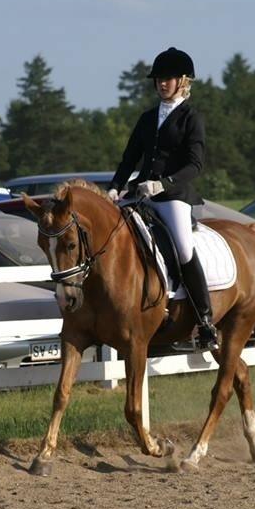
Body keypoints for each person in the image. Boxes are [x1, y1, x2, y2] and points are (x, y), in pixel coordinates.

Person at [106, 47, 219, 351]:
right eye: (158, 78)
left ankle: (205, 321)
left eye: (168, 78)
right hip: (140, 193)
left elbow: (195, 164)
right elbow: (129, 159)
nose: (162, 83)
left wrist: (162, 185)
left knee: (183, 248)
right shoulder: (146, 118)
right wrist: (116, 186)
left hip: (174, 197)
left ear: (183, 80)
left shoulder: (191, 118)